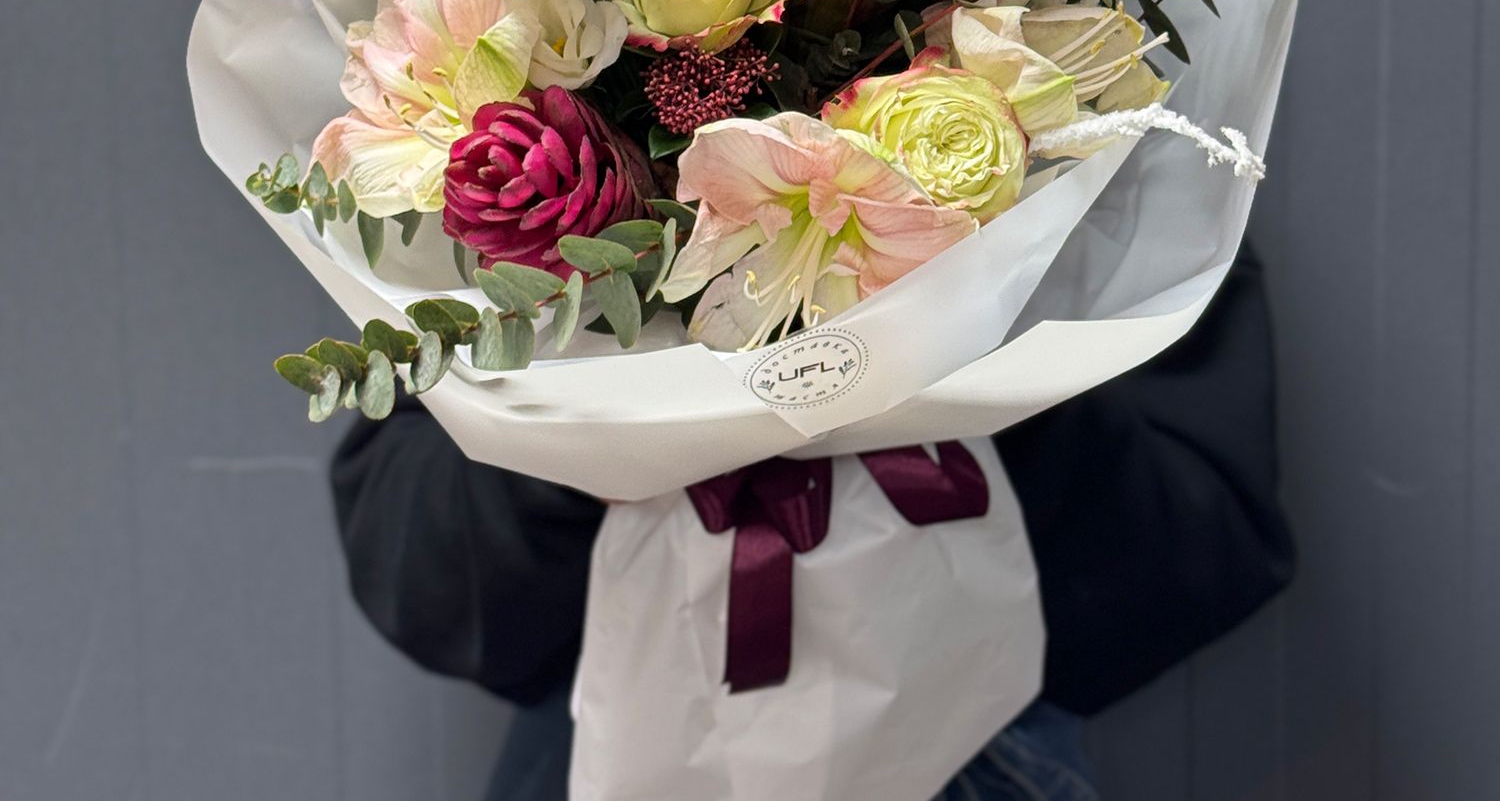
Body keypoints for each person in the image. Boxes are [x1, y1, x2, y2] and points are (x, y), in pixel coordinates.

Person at [331, 247, 1292, 800]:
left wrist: (965, 353)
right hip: (607, 750)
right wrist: (591, 432)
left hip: (980, 753)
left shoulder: (1098, 142)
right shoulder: (509, 180)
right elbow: (418, 581)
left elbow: (1203, 550)